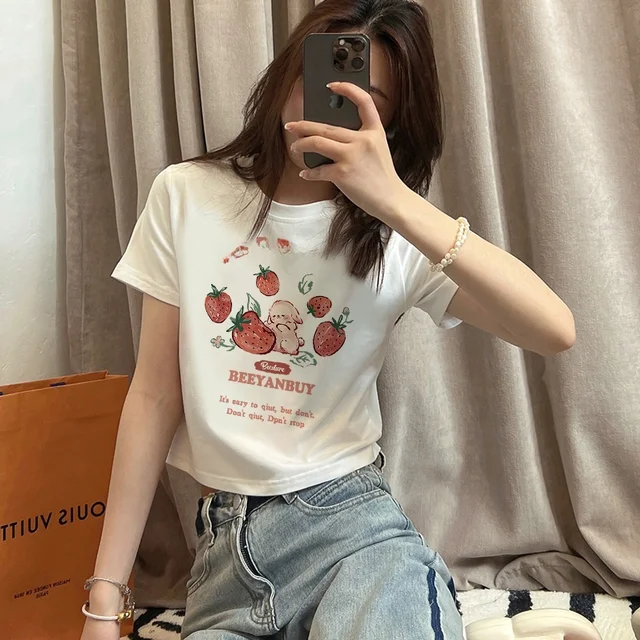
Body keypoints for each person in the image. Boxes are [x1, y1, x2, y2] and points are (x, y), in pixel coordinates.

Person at [80, 1, 604, 639]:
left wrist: (395, 200)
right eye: (317, 73)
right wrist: (105, 598)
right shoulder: (186, 194)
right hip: (224, 560)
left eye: (361, 97)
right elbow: (154, 396)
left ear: (391, 121)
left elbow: (555, 329)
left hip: (353, 534)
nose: (324, 101)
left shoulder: (393, 235)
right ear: (287, 70)